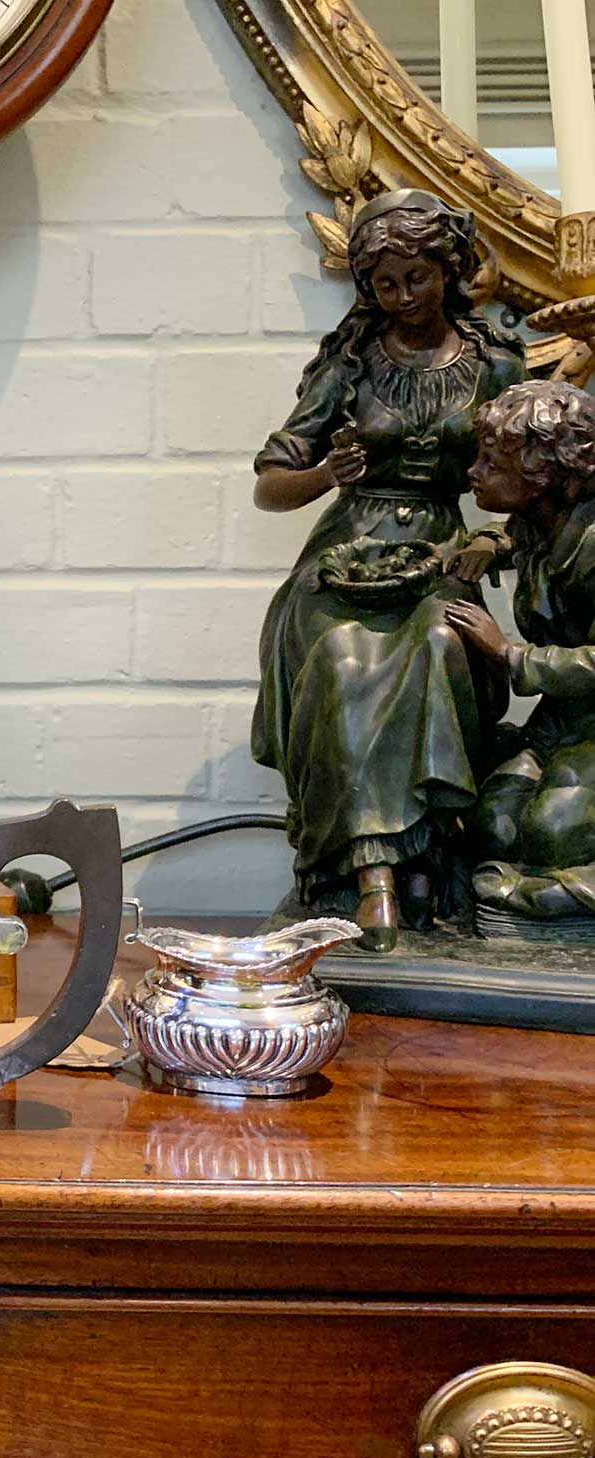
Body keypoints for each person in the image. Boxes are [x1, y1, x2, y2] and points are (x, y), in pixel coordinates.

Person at [251, 188, 525, 951]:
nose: (403, 297)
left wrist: (493, 543)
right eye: (384, 284)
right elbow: (271, 486)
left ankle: (427, 860)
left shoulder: (495, 365)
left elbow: (533, 488)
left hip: (440, 551)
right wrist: (325, 476)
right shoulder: (350, 365)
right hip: (343, 553)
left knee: (441, 643)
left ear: (449, 270)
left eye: (418, 278)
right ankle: (371, 872)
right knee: (340, 661)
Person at [445, 380, 595, 929]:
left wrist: (510, 655)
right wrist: (489, 542)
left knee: (554, 833)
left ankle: (556, 898)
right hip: (565, 718)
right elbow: (518, 536)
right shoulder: (540, 521)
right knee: (496, 825)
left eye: (492, 463)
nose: (474, 472)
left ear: (543, 476)